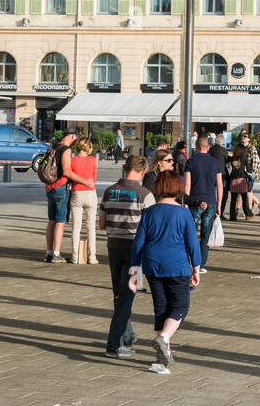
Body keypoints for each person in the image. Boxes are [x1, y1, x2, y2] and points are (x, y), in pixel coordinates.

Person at [129, 170, 202, 373]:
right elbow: (192, 244)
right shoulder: (184, 213)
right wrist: (196, 267)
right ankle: (163, 338)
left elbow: (138, 243)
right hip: (176, 265)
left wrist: (135, 271)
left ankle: (163, 355)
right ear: (177, 189)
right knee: (180, 306)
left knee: (161, 307)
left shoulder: (150, 212)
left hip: (152, 264)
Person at [99, 154, 155, 357]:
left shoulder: (109, 191)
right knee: (127, 295)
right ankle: (114, 344)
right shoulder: (145, 195)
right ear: (143, 171)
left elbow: (102, 224)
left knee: (119, 295)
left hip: (113, 246)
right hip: (135, 250)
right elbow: (150, 228)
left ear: (124, 168)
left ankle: (127, 335)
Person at [184, 133, 222, 272]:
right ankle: (201, 264)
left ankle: (190, 260)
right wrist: (219, 204)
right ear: (209, 147)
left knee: (191, 233)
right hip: (211, 202)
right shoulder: (215, 163)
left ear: (196, 147)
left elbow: (187, 185)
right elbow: (219, 186)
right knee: (206, 234)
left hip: (195, 201)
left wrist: (186, 202)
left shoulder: (190, 162)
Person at [44, 130, 76, 263]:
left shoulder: (53, 147)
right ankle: (57, 254)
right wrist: (85, 181)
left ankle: (49, 253)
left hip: (49, 187)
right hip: (61, 187)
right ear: (72, 137)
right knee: (60, 221)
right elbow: (67, 171)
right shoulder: (66, 150)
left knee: (51, 220)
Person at [69, 136, 99, 264]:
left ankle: (75, 256)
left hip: (77, 193)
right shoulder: (93, 160)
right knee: (91, 227)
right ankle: (92, 256)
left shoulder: (72, 160)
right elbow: (94, 177)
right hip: (91, 193)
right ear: (89, 147)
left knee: (76, 227)